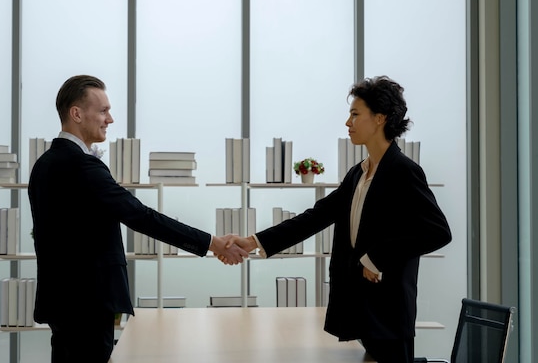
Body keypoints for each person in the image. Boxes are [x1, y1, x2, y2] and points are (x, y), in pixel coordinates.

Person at [224, 76, 452, 363]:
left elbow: (438, 231)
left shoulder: (404, 171)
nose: (348, 122)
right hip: (362, 310)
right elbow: (315, 217)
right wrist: (253, 241)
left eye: (355, 114)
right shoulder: (359, 174)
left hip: (390, 316)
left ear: (380, 118)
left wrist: (376, 258)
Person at [28, 75, 248, 363]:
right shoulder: (81, 164)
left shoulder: (44, 165)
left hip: (62, 300)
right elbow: (140, 216)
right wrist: (213, 243)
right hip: (88, 302)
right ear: (77, 114)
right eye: (103, 110)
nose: (111, 119)